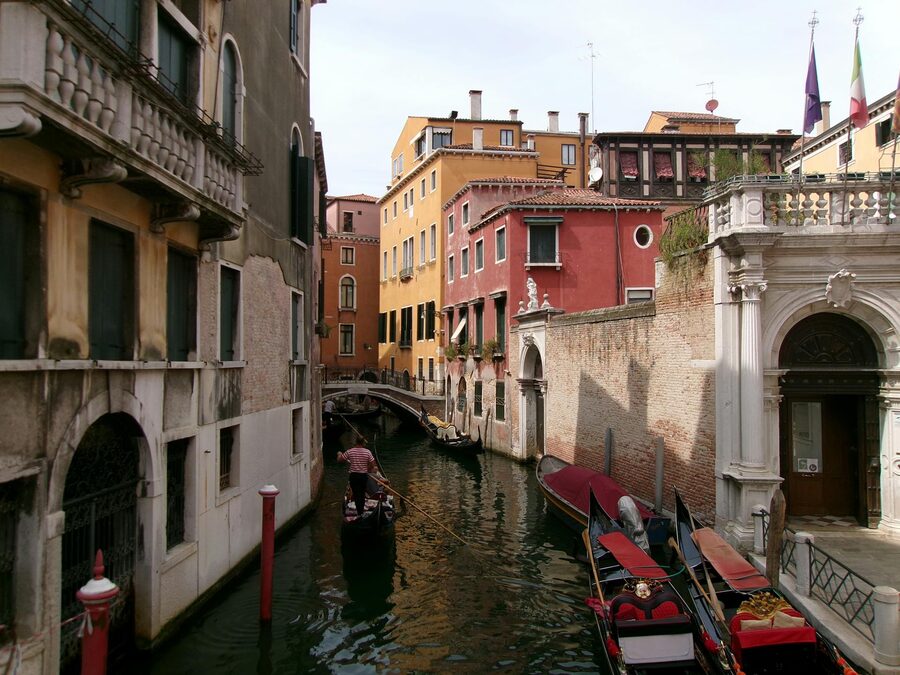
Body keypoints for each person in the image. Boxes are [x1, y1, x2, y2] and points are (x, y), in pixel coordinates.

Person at [337, 435, 377, 518]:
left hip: (354, 476)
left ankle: (359, 513)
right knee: (362, 494)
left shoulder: (350, 451)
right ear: (363, 443)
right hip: (363, 476)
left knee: (356, 494)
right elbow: (373, 464)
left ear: (356, 442)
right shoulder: (367, 452)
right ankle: (361, 513)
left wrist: (339, 454)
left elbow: (340, 460)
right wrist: (367, 469)